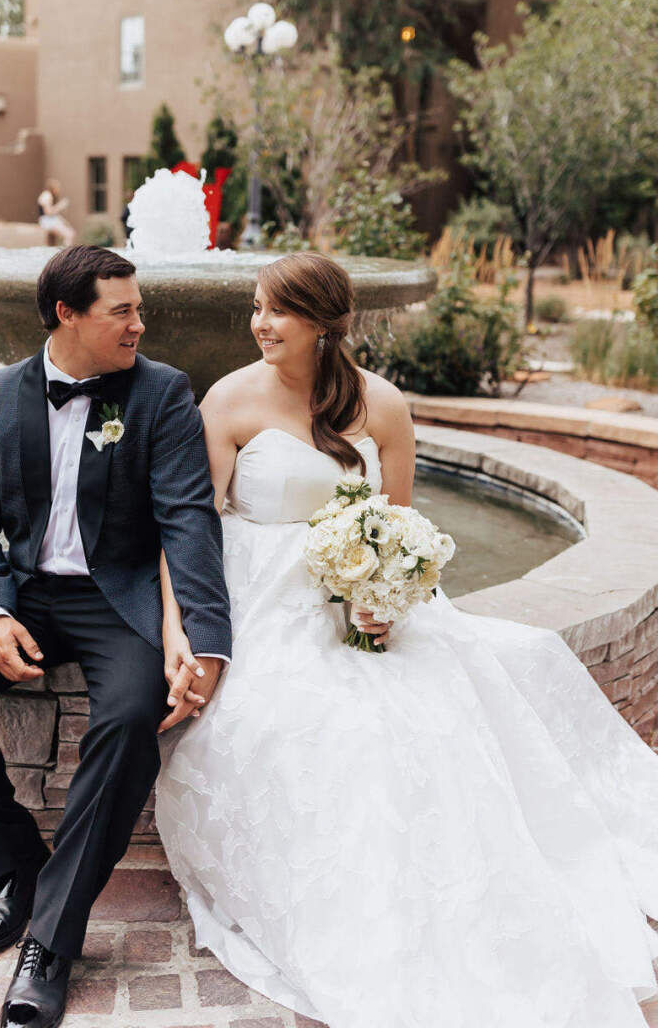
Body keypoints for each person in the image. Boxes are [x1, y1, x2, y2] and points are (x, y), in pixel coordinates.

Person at [155, 251, 658, 1028]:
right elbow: (186, 528)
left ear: (323, 323)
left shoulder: (382, 405)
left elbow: (395, 530)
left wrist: (384, 596)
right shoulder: (227, 399)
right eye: (256, 306)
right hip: (259, 601)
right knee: (302, 727)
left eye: (277, 310)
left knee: (451, 705)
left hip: (358, 602)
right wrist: (183, 627)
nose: (259, 323)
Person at [0, 245, 231, 1028]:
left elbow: (187, 519)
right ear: (66, 315)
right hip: (25, 594)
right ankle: (14, 865)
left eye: (139, 309)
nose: (140, 323)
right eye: (123, 311)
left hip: (119, 597)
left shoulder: (163, 394)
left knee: (130, 716)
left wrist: (205, 638)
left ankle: (50, 938)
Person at [37, 179, 74, 248]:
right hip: (47, 221)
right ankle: (66, 254)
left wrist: (63, 221)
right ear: (53, 188)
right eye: (58, 188)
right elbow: (48, 212)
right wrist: (61, 205)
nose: (59, 190)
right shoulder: (47, 195)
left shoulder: (46, 195)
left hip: (48, 220)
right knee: (69, 234)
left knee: (69, 233)